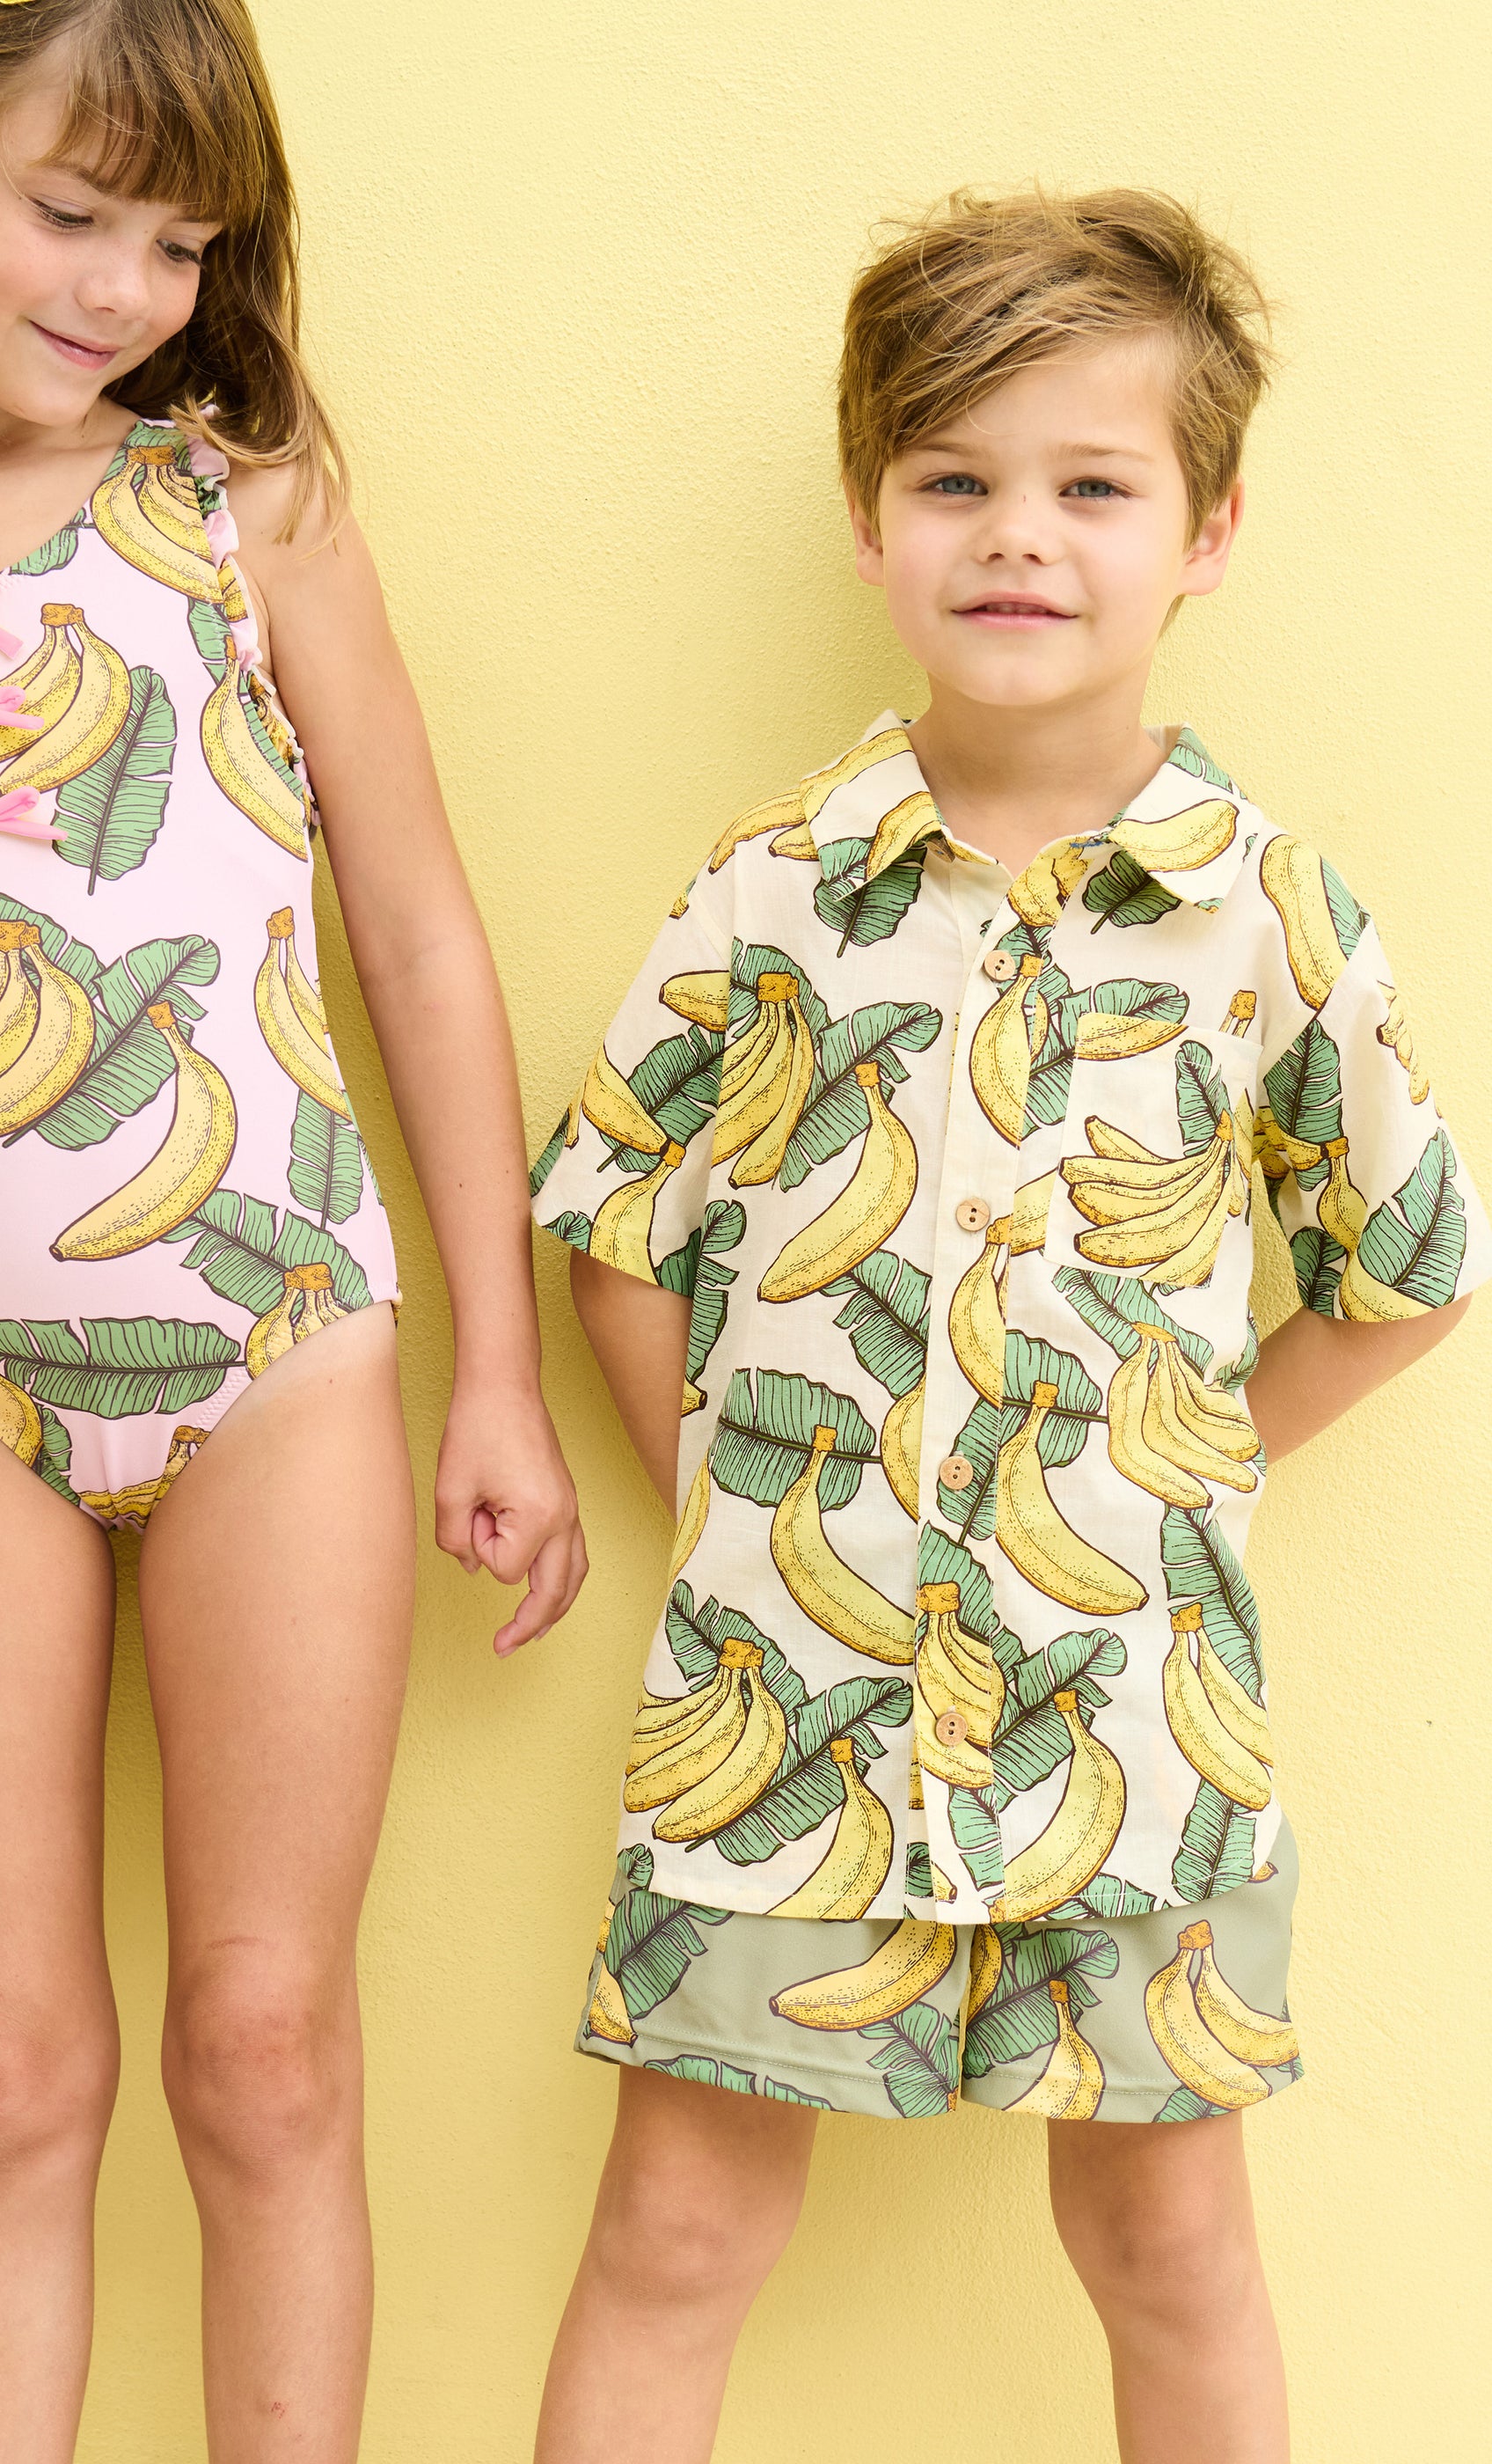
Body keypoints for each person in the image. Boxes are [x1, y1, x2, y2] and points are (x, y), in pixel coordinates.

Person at [527, 188, 1486, 2464]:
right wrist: (743, 1514)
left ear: (1207, 531)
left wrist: (1188, 1454)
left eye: (1090, 486)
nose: (1017, 539)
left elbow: (1408, 1268)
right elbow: (611, 1221)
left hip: (1136, 1732)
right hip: (776, 1730)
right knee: (672, 2239)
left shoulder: (1262, 912)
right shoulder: (778, 887)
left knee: (1170, 2255)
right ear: (872, 522)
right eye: (953, 479)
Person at [0, 3, 584, 2457]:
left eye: (179, 237)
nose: (124, 286)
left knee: (266, 2045)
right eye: (73, 211)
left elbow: (416, 932)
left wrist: (501, 1373)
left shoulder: (236, 501)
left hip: (287, 1353)